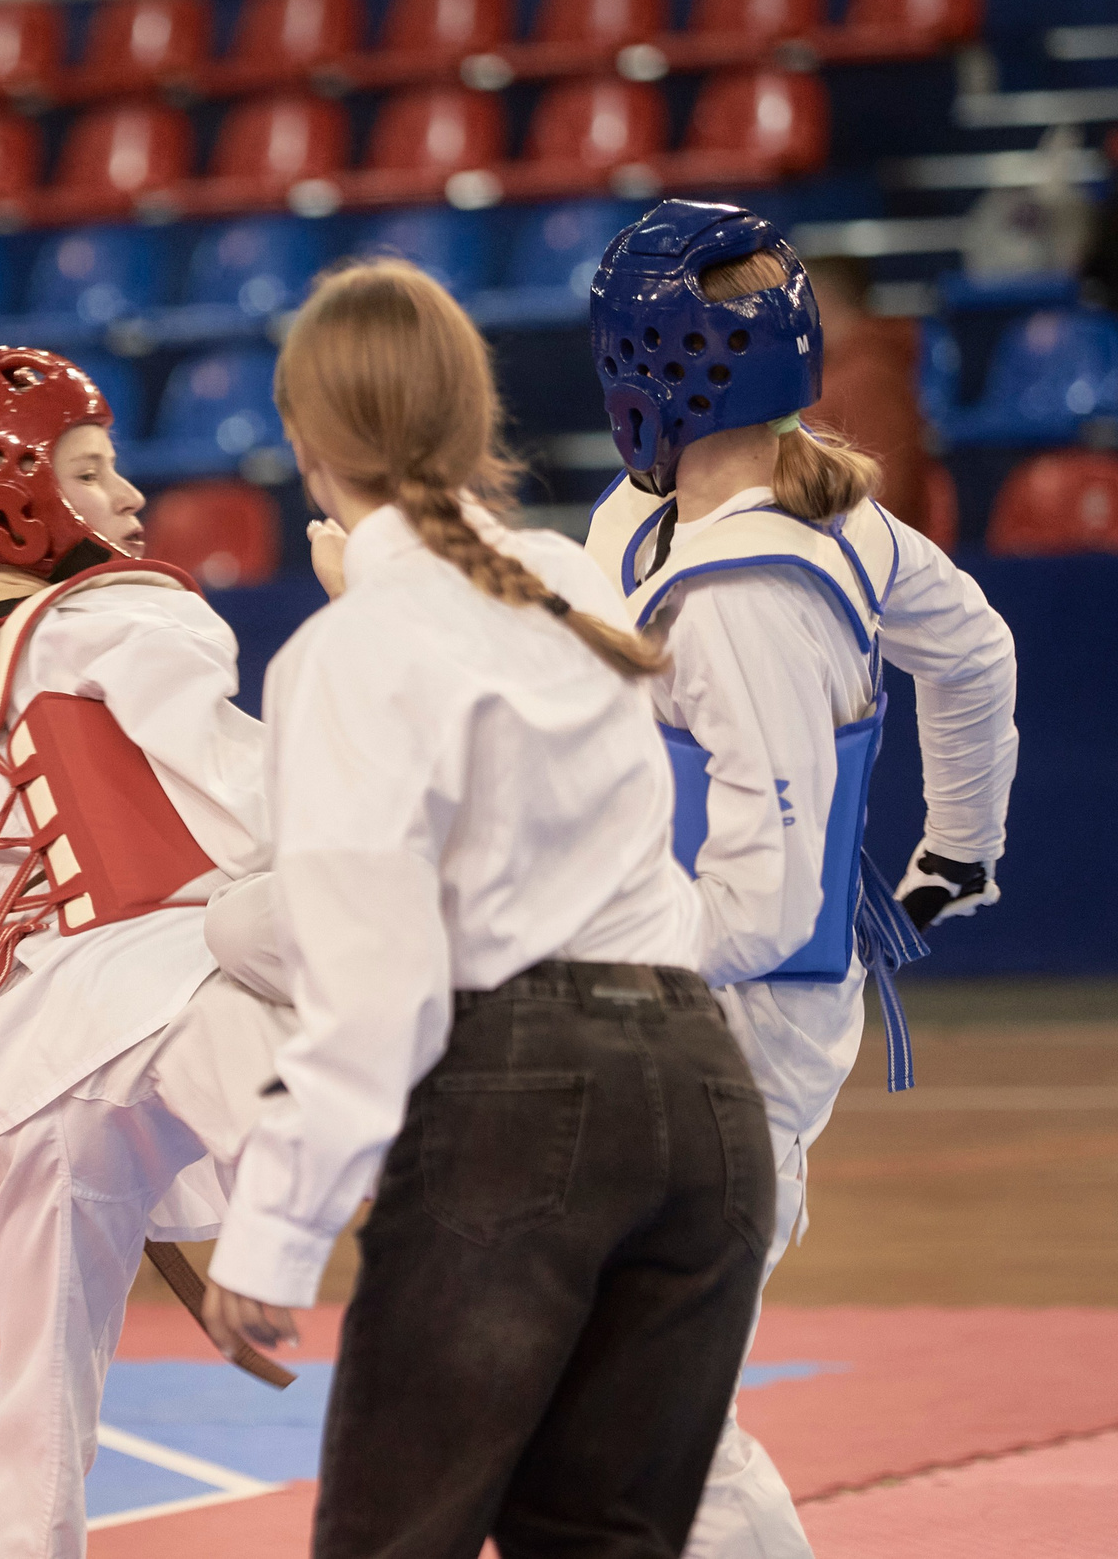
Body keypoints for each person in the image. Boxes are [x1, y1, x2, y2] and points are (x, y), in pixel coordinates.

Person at [193, 259, 771, 1559]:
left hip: (523, 1104)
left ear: (303, 441)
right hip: (700, 1094)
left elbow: (375, 989)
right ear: (473, 418)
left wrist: (272, 1232)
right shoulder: (571, 583)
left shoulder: (350, 652)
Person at [578, 203, 1020, 1559]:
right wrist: (960, 844)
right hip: (685, 1013)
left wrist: (568, 953)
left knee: (650, 1405)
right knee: (618, 1388)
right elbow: (977, 652)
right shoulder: (674, 522)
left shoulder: (744, 594)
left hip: (731, 1021)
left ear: (644, 365)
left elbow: (761, 908)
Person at [0, 346, 286, 1559]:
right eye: (91, 471)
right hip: (172, 998)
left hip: (15, 1074)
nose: (129, 496)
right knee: (437, 1184)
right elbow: (252, 807)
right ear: (15, 493)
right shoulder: (121, 618)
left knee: (35, 1412)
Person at [800, 256, 933, 533]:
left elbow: (885, 494)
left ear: (818, 300)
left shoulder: (869, 377)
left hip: (860, 551)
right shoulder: (834, 372)